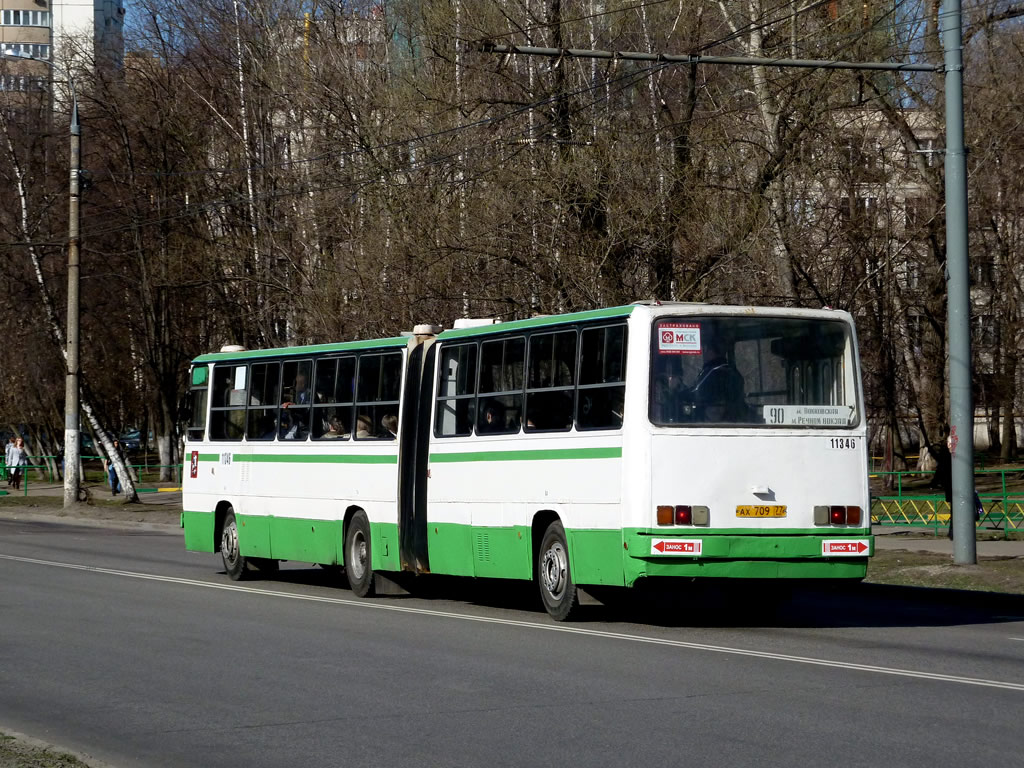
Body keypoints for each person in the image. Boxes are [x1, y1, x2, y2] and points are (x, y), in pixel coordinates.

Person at [690, 334, 746, 422]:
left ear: (711, 352)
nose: (705, 354)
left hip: (716, 416)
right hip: (733, 415)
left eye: (707, 350)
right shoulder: (734, 372)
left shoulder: (711, 372)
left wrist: (680, 394)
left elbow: (697, 393)